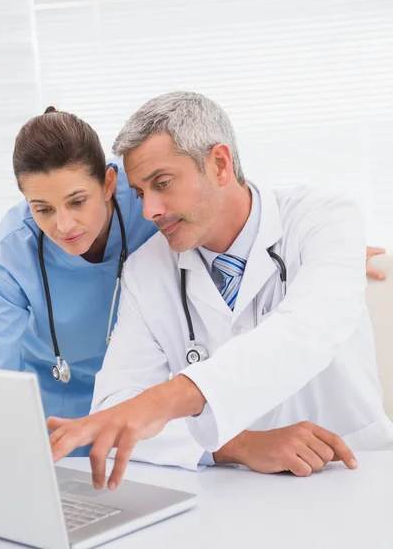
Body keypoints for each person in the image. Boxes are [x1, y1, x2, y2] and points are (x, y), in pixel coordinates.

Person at [48, 91, 393, 486]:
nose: (149, 211)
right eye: (142, 193)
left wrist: (161, 402)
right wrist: (237, 446)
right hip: (231, 488)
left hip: (354, 472)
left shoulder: (324, 221)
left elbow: (304, 333)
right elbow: (116, 412)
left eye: (162, 183)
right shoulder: (147, 270)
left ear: (219, 164)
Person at [0, 107, 156, 455]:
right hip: (52, 412)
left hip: (142, 402)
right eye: (43, 209)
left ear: (109, 183)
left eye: (77, 201)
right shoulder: (12, 249)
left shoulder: (149, 207)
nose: (63, 225)